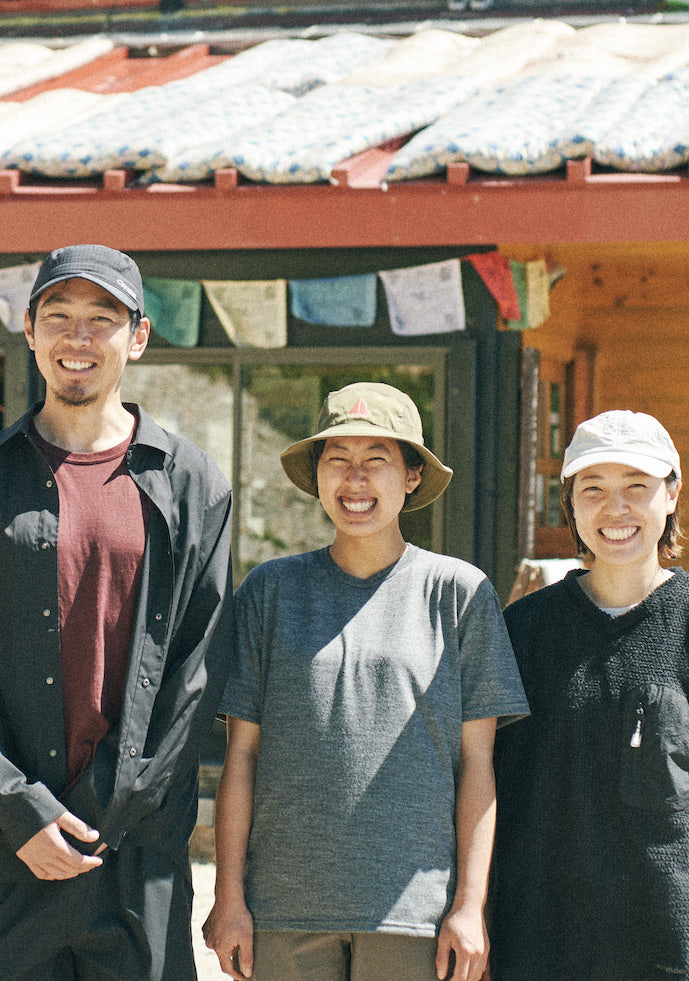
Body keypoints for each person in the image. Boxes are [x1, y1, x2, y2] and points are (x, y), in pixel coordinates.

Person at [0, 244, 234, 981]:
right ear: (29, 331)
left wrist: (109, 807)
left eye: (102, 318)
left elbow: (199, 670)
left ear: (139, 336)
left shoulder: (190, 483)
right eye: (58, 316)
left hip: (133, 851)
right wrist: (20, 807)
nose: (78, 337)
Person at [203, 383, 529, 981]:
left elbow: (478, 765)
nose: (355, 479)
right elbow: (241, 757)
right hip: (284, 908)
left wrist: (469, 906)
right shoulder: (269, 592)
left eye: (376, 459)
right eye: (338, 459)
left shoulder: (459, 593)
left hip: (415, 914)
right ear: (317, 476)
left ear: (411, 476)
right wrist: (229, 898)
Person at [492, 410, 689, 981]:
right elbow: (483, 776)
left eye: (637, 487)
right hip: (535, 933)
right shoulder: (525, 628)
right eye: (593, 489)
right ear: (569, 504)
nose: (616, 509)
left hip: (665, 935)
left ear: (672, 494)